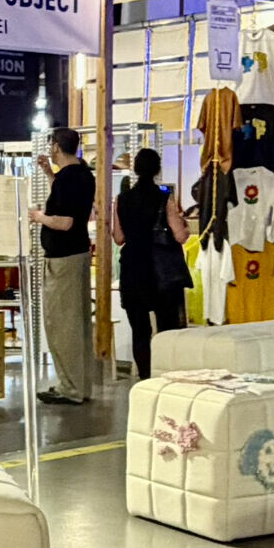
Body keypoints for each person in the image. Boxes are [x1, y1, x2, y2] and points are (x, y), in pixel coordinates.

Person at [28, 126, 97, 404]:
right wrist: (49, 174)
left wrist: (38, 217)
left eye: (50, 145)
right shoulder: (83, 174)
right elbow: (69, 204)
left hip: (63, 260)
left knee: (62, 325)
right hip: (78, 254)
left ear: (56, 146)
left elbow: (65, 221)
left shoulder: (68, 180)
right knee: (78, 324)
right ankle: (80, 385)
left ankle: (70, 388)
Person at [112, 148, 189, 378]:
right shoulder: (165, 198)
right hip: (160, 272)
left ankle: (145, 377)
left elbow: (118, 237)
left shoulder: (121, 200)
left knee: (140, 331)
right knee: (166, 330)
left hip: (133, 269)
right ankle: (166, 376)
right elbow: (180, 236)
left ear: (135, 169)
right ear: (157, 170)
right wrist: (185, 226)